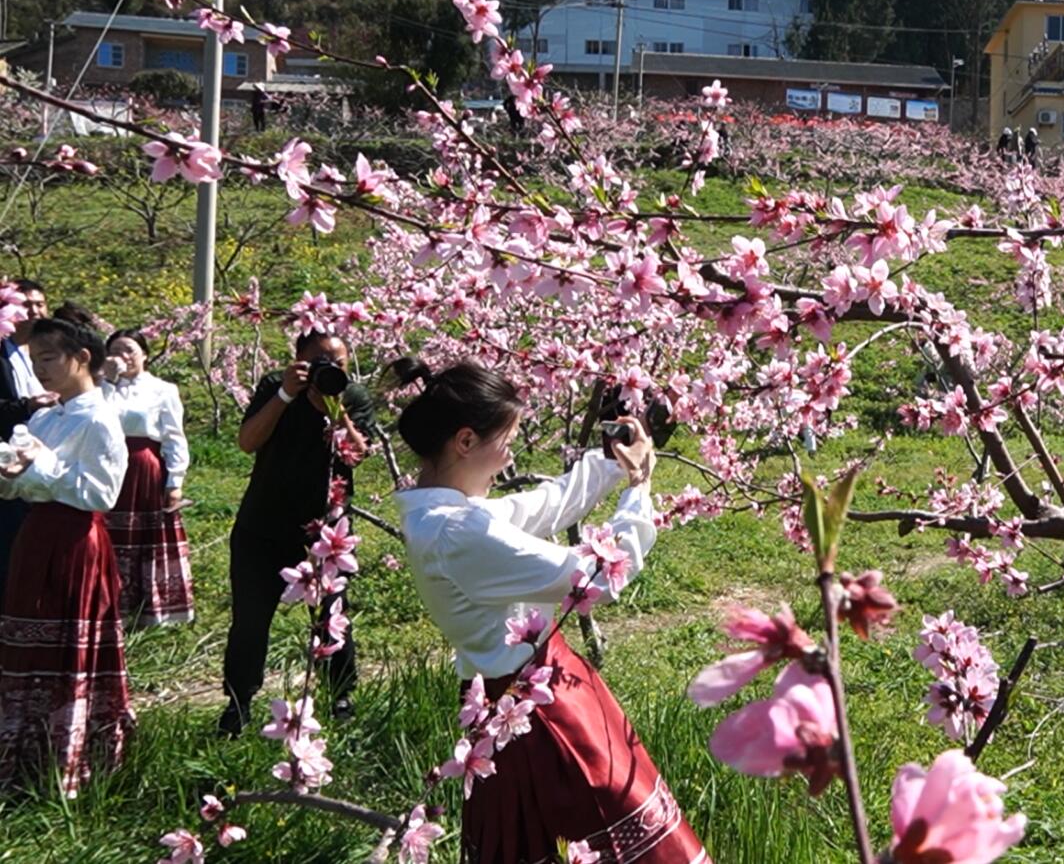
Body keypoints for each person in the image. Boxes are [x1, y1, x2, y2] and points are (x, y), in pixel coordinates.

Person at [390, 361, 709, 864]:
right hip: (542, 716)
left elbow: (546, 504)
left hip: (514, 701)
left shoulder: (439, 514)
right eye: (507, 438)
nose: (512, 451)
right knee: (611, 836)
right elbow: (598, 576)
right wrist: (639, 489)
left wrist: (612, 461)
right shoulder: (457, 532)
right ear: (466, 441)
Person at [0, 318, 133, 796]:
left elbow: (102, 492)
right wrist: (12, 471)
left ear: (81, 358)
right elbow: (23, 486)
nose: (41, 370)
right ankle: (21, 760)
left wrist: (43, 464)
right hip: (37, 534)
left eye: (49, 359)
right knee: (26, 637)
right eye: (34, 361)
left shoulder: (98, 418)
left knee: (67, 644)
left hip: (76, 540)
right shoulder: (44, 417)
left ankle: (68, 762)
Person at [219, 330, 375, 737]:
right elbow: (247, 442)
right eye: (321, 362)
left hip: (326, 532)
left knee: (332, 617)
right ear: (298, 360)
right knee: (250, 620)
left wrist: (337, 412)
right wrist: (286, 396)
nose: (331, 370)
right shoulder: (275, 386)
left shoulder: (352, 396)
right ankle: (238, 703)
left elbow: (358, 455)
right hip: (263, 525)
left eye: (339, 362)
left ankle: (341, 696)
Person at [100, 329, 194, 628]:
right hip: (108, 467)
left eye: (129, 350)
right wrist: (108, 381)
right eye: (115, 351)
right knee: (108, 535)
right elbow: (95, 418)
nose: (123, 357)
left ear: (145, 354)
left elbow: (174, 438)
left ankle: (152, 611)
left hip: (143, 469)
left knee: (147, 537)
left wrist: (174, 481)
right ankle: (111, 608)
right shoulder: (101, 388)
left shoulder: (162, 390)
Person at [0, 278, 55, 609]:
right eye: (25, 305)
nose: (34, 311)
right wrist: (28, 406)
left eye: (39, 304)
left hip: (46, 460)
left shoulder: (49, 350)